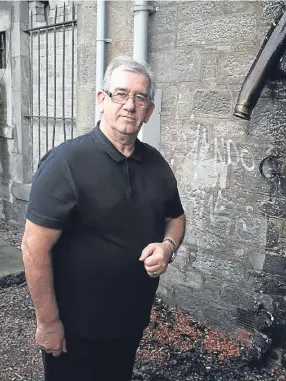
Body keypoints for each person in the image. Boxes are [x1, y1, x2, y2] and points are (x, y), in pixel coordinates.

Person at [21, 56, 186, 381]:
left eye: (140, 97)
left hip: (129, 324)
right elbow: (33, 248)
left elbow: (177, 219)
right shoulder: (65, 164)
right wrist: (48, 322)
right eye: (120, 94)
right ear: (102, 100)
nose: (129, 105)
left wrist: (168, 247)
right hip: (75, 331)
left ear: (149, 111)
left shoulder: (157, 166)